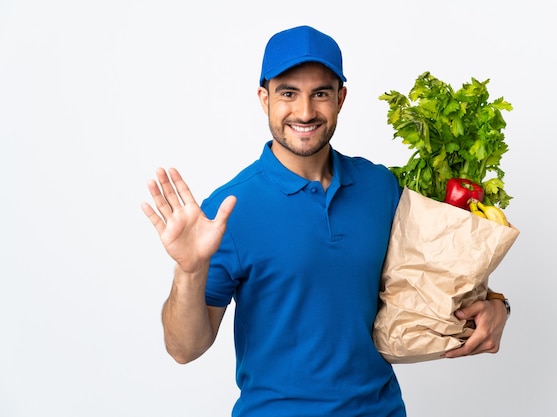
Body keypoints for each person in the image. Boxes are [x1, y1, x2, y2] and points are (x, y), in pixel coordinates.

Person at [142, 25, 509, 417]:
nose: (305, 111)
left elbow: (432, 276)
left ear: (341, 98)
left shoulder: (380, 187)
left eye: (320, 93)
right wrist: (189, 270)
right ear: (264, 98)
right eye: (288, 93)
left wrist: (498, 305)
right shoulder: (229, 208)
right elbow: (184, 348)